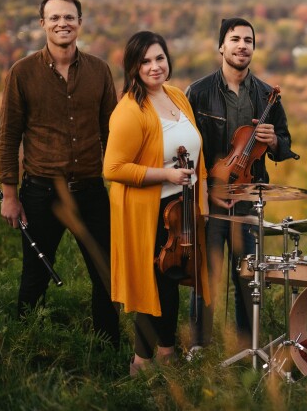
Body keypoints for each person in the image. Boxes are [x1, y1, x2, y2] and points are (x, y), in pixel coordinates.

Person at [0, 0, 119, 346]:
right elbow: (9, 137)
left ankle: (106, 348)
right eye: (55, 18)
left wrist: (120, 182)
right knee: (35, 276)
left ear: (80, 23)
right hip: (40, 193)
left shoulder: (99, 70)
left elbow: (110, 132)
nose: (62, 23)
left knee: (106, 273)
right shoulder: (22, 73)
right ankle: (23, 348)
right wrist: (9, 195)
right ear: (43, 24)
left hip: (90, 190)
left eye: (69, 17)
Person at [186, 18, 298, 353]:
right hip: (209, 199)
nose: (242, 45)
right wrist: (206, 191)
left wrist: (274, 140)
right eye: (235, 39)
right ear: (221, 46)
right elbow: (190, 146)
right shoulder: (199, 91)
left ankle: (245, 348)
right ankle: (199, 346)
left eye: (248, 40)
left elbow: (286, 145)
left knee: (248, 278)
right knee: (206, 278)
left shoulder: (267, 95)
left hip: (249, 200)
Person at [104, 31, 211, 375]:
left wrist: (201, 204)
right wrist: (164, 175)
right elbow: (113, 168)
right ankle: (141, 363)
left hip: (181, 210)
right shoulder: (130, 110)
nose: (154, 67)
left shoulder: (177, 96)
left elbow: (198, 156)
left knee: (171, 279)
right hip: (148, 211)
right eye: (145, 61)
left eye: (159, 58)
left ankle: (166, 353)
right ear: (133, 67)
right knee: (151, 286)